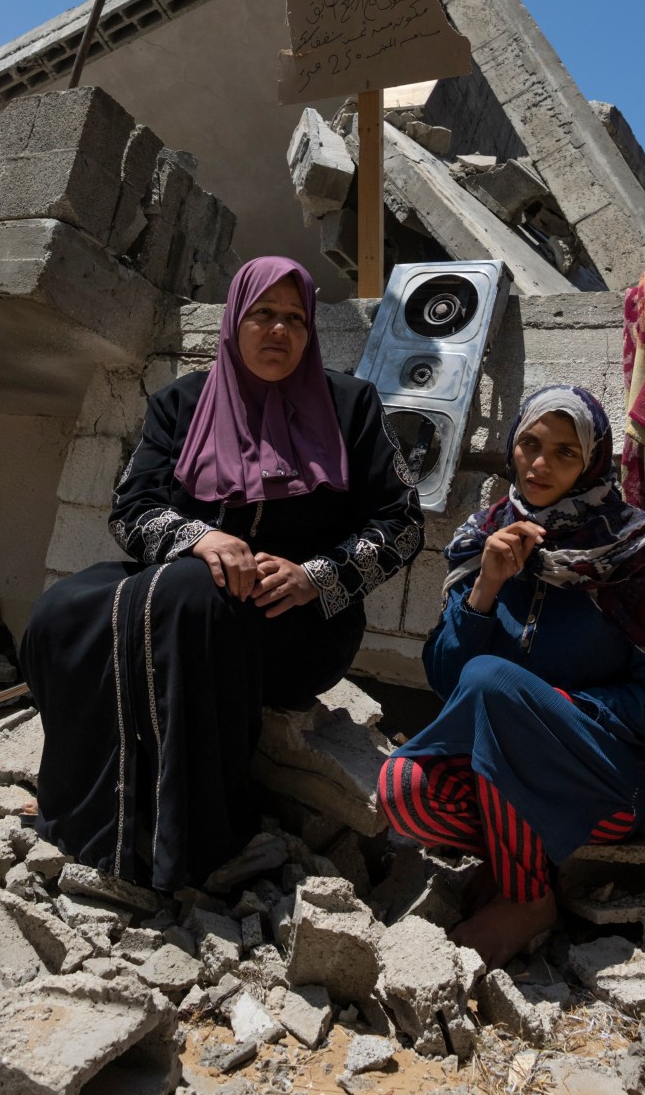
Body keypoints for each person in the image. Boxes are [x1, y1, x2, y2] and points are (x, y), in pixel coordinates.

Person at [23, 256, 423, 891]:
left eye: (295, 318)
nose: (278, 331)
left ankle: (198, 840)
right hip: (190, 594)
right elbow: (131, 508)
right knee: (65, 608)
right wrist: (201, 537)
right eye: (263, 313)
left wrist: (314, 575)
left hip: (294, 625)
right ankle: (85, 813)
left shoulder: (352, 407)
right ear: (235, 319)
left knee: (184, 596)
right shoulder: (180, 405)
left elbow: (402, 524)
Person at [377, 386, 645, 968]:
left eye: (565, 453)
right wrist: (486, 588)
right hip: (500, 773)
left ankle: (527, 900)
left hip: (603, 787)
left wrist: (544, 711)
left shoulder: (637, 550)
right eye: (530, 445)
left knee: (496, 689)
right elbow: (445, 680)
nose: (540, 465)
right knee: (402, 792)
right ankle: (517, 861)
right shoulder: (485, 535)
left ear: (592, 461)